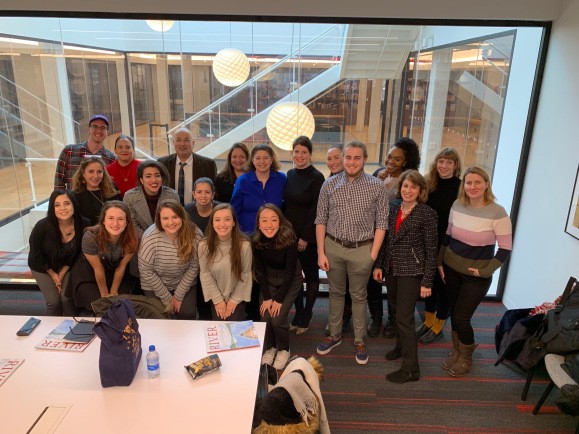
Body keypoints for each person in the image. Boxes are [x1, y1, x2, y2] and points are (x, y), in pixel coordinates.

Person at [315, 140, 388, 365]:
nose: (352, 162)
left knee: (358, 296)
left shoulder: (377, 186)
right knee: (336, 293)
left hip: (362, 250)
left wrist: (373, 255)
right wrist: (321, 252)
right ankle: (335, 335)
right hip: (333, 247)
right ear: (342, 158)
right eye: (348, 157)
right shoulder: (329, 185)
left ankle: (359, 339)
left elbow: (382, 223)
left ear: (364, 159)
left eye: (357, 158)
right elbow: (321, 220)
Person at [438, 166, 512, 377]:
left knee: (462, 317)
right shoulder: (457, 205)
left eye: (478, 182)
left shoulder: (498, 212)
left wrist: (485, 271)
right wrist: (440, 262)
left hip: (475, 277)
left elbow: (505, 248)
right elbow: (448, 236)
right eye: (468, 183)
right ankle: (456, 350)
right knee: (454, 312)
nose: (473, 187)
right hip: (451, 268)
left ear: (486, 184)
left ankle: (466, 356)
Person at [373, 170, 438, 383]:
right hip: (392, 269)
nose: (408, 190)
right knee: (395, 310)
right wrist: (380, 265)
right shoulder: (393, 208)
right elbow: (386, 240)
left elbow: (431, 250)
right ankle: (400, 348)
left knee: (404, 318)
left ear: (421, 191)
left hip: (412, 271)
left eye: (413, 187)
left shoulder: (427, 214)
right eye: (405, 186)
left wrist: (427, 281)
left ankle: (411, 369)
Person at [368, 137, 421, 339]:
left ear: (406, 161)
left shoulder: (410, 181)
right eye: (389, 157)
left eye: (397, 159)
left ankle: (393, 319)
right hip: (374, 237)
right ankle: (376, 317)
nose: (391, 161)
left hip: (396, 240)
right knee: (372, 281)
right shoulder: (377, 175)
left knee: (393, 284)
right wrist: (377, 182)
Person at [416, 147, 462, 344]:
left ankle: (438, 325)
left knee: (444, 287)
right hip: (427, 242)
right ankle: (428, 321)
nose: (444, 166)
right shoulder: (428, 183)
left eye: (449, 162)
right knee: (429, 284)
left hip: (448, 245)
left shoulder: (461, 188)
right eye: (441, 161)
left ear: (456, 166)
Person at [253, 204, 303, 371]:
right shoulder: (257, 240)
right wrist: (267, 297)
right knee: (265, 317)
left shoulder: (289, 239)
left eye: (274, 220)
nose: (269, 224)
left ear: (280, 222)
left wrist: (279, 300)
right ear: (258, 223)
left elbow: (290, 274)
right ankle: (270, 348)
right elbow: (259, 271)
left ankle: (283, 349)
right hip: (268, 279)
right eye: (264, 220)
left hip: (290, 280)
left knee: (278, 318)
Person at [284, 136, 324, 334]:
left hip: (308, 237)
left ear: (310, 154)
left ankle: (307, 314)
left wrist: (305, 238)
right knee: (295, 277)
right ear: (292, 153)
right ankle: (298, 313)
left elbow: (317, 210)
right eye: (297, 152)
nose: (300, 156)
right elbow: (286, 207)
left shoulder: (317, 177)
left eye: (304, 152)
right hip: (290, 236)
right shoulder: (289, 174)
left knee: (310, 276)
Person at [138, 199, 202, 320]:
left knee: (187, 313)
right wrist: (167, 299)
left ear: (182, 217)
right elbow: (146, 270)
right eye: (165, 218)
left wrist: (178, 296)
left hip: (182, 281)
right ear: (159, 220)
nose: (171, 222)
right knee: (161, 315)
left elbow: (194, 266)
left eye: (175, 217)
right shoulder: (150, 237)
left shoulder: (195, 235)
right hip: (154, 283)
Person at [28, 190, 89, 316]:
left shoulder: (84, 224)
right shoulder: (42, 226)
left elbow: (78, 252)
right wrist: (53, 274)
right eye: (57, 205)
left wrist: (62, 273)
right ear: (52, 208)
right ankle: (52, 331)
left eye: (67, 203)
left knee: (66, 298)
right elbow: (36, 254)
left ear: (74, 205)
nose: (63, 208)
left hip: (67, 266)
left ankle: (71, 328)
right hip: (42, 267)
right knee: (54, 302)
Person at [70, 201, 138, 312]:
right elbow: (98, 269)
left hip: (115, 272)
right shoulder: (90, 237)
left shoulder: (133, 239)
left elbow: (121, 267)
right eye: (110, 218)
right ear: (103, 221)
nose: (115, 224)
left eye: (120, 219)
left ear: (127, 222)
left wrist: (114, 293)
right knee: (101, 305)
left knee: (121, 303)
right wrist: (105, 295)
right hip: (90, 273)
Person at [198, 203, 252, 321]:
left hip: (237, 298)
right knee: (220, 332)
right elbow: (205, 274)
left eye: (227, 219)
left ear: (233, 222)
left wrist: (233, 301)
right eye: (217, 220)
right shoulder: (203, 246)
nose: (222, 224)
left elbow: (246, 275)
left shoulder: (244, 246)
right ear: (212, 223)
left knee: (236, 332)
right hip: (216, 298)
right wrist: (218, 301)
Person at [323, 144, 352, 335]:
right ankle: (336, 319)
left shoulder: (355, 180)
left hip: (353, 244)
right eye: (329, 159)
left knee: (350, 286)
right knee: (337, 285)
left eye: (336, 157)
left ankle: (345, 319)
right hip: (333, 241)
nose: (332, 162)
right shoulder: (330, 181)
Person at [185, 177, 221, 320]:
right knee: (201, 301)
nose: (203, 196)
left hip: (216, 259)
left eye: (207, 192)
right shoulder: (187, 210)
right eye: (199, 192)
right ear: (193, 194)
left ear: (213, 194)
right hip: (194, 260)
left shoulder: (220, 209)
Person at [231, 144, 287, 234]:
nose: (262, 161)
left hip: (274, 233)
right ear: (252, 160)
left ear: (272, 160)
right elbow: (235, 209)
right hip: (247, 233)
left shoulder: (281, 178)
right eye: (258, 158)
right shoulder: (242, 180)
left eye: (266, 158)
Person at [54, 114, 116, 190]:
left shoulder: (112, 159)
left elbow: (111, 187)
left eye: (103, 128)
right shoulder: (69, 151)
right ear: (89, 129)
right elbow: (58, 183)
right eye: (95, 127)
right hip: (72, 201)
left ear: (107, 132)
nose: (99, 130)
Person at [158, 128, 217, 206]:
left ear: (193, 143)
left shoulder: (208, 164)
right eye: (178, 140)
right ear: (173, 143)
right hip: (170, 211)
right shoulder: (162, 163)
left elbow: (213, 192)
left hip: (197, 212)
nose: (182, 144)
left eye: (186, 140)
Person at [123, 160, 179, 234]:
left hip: (167, 237)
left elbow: (176, 221)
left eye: (157, 175)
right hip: (139, 240)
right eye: (148, 176)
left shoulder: (172, 195)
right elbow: (132, 225)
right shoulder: (130, 197)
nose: (154, 180)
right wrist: (148, 240)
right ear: (141, 180)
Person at [72, 156, 121, 225]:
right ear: (83, 174)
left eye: (99, 172)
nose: (96, 176)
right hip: (89, 234)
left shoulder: (112, 189)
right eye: (91, 171)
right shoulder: (76, 196)